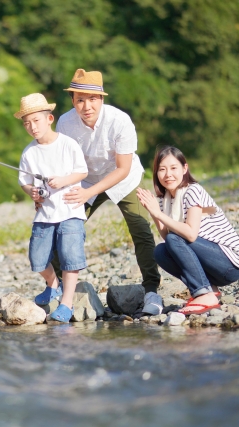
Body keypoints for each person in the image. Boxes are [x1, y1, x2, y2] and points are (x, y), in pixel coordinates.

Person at [56, 69, 162, 315]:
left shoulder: (120, 120)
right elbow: (62, 163)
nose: (86, 106)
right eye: (80, 100)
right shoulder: (64, 122)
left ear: (101, 99)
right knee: (61, 227)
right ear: (73, 101)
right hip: (84, 180)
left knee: (140, 228)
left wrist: (88, 192)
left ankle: (151, 291)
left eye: (92, 99)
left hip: (122, 179)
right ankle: (58, 288)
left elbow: (123, 168)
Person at [136, 146, 239, 315]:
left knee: (174, 239)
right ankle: (209, 289)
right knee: (160, 251)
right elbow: (168, 238)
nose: (168, 174)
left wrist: (158, 213)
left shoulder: (192, 191)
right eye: (162, 169)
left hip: (229, 263)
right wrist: (154, 213)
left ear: (185, 168)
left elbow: (190, 233)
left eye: (174, 168)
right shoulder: (165, 198)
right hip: (211, 266)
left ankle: (204, 294)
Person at [15, 93, 89, 322]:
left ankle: (66, 304)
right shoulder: (29, 152)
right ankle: (53, 285)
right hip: (44, 214)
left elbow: (82, 171)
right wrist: (32, 193)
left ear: (49, 119)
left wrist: (64, 180)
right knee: (37, 258)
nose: (32, 127)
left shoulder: (68, 144)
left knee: (70, 256)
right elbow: (24, 182)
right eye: (27, 123)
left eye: (36, 121)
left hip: (70, 210)